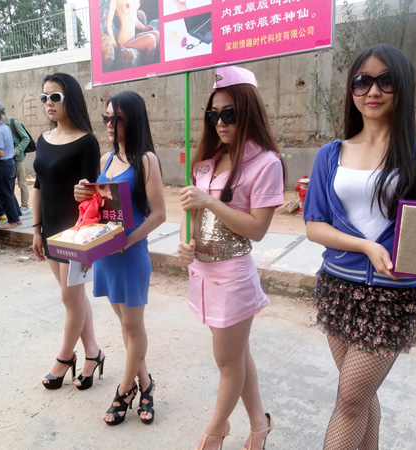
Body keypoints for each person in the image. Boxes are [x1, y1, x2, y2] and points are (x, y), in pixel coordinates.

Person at [303, 44, 416, 450]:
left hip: (393, 297)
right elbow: (314, 225)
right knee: (359, 398)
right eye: (362, 81)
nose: (373, 90)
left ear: (402, 86)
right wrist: (365, 247)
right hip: (337, 288)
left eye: (385, 80)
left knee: (350, 402)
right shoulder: (330, 155)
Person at [176, 66, 283, 450]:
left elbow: (257, 228)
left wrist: (208, 201)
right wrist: (185, 242)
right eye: (213, 114)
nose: (220, 123)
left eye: (229, 114)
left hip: (233, 277)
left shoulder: (266, 163)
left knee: (226, 363)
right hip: (201, 272)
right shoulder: (206, 161)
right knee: (237, 356)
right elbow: (191, 213)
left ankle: (215, 432)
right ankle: (259, 425)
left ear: (248, 112)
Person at [74, 91, 165, 426]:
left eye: (117, 118)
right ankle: (146, 384)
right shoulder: (106, 160)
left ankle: (125, 390)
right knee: (126, 325)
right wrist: (83, 193)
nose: (110, 124)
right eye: (106, 118)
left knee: (132, 325)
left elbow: (159, 214)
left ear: (133, 120)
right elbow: (100, 208)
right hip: (106, 255)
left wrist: (128, 240)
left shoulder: (147, 160)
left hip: (131, 254)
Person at [31, 73, 104, 391]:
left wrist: (86, 194)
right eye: (44, 97)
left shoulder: (86, 142)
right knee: (74, 298)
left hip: (76, 233)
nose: (48, 103)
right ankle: (93, 353)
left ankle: (64, 357)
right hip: (49, 230)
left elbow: (95, 194)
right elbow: (38, 186)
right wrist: (36, 230)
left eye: (55, 97)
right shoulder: (43, 139)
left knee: (69, 298)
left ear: (70, 99)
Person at [0, 100, 32, 215]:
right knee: (8, 186)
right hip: (5, 160)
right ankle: (14, 208)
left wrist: (16, 150)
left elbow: (26, 138)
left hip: (17, 158)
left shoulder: (13, 122)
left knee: (22, 182)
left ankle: (24, 206)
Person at [105, 0, 159, 65]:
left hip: (133, 36)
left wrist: (144, 28)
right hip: (124, 41)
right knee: (151, 40)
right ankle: (148, 68)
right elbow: (108, 25)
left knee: (157, 35)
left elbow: (133, 18)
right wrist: (116, 46)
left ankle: (157, 65)